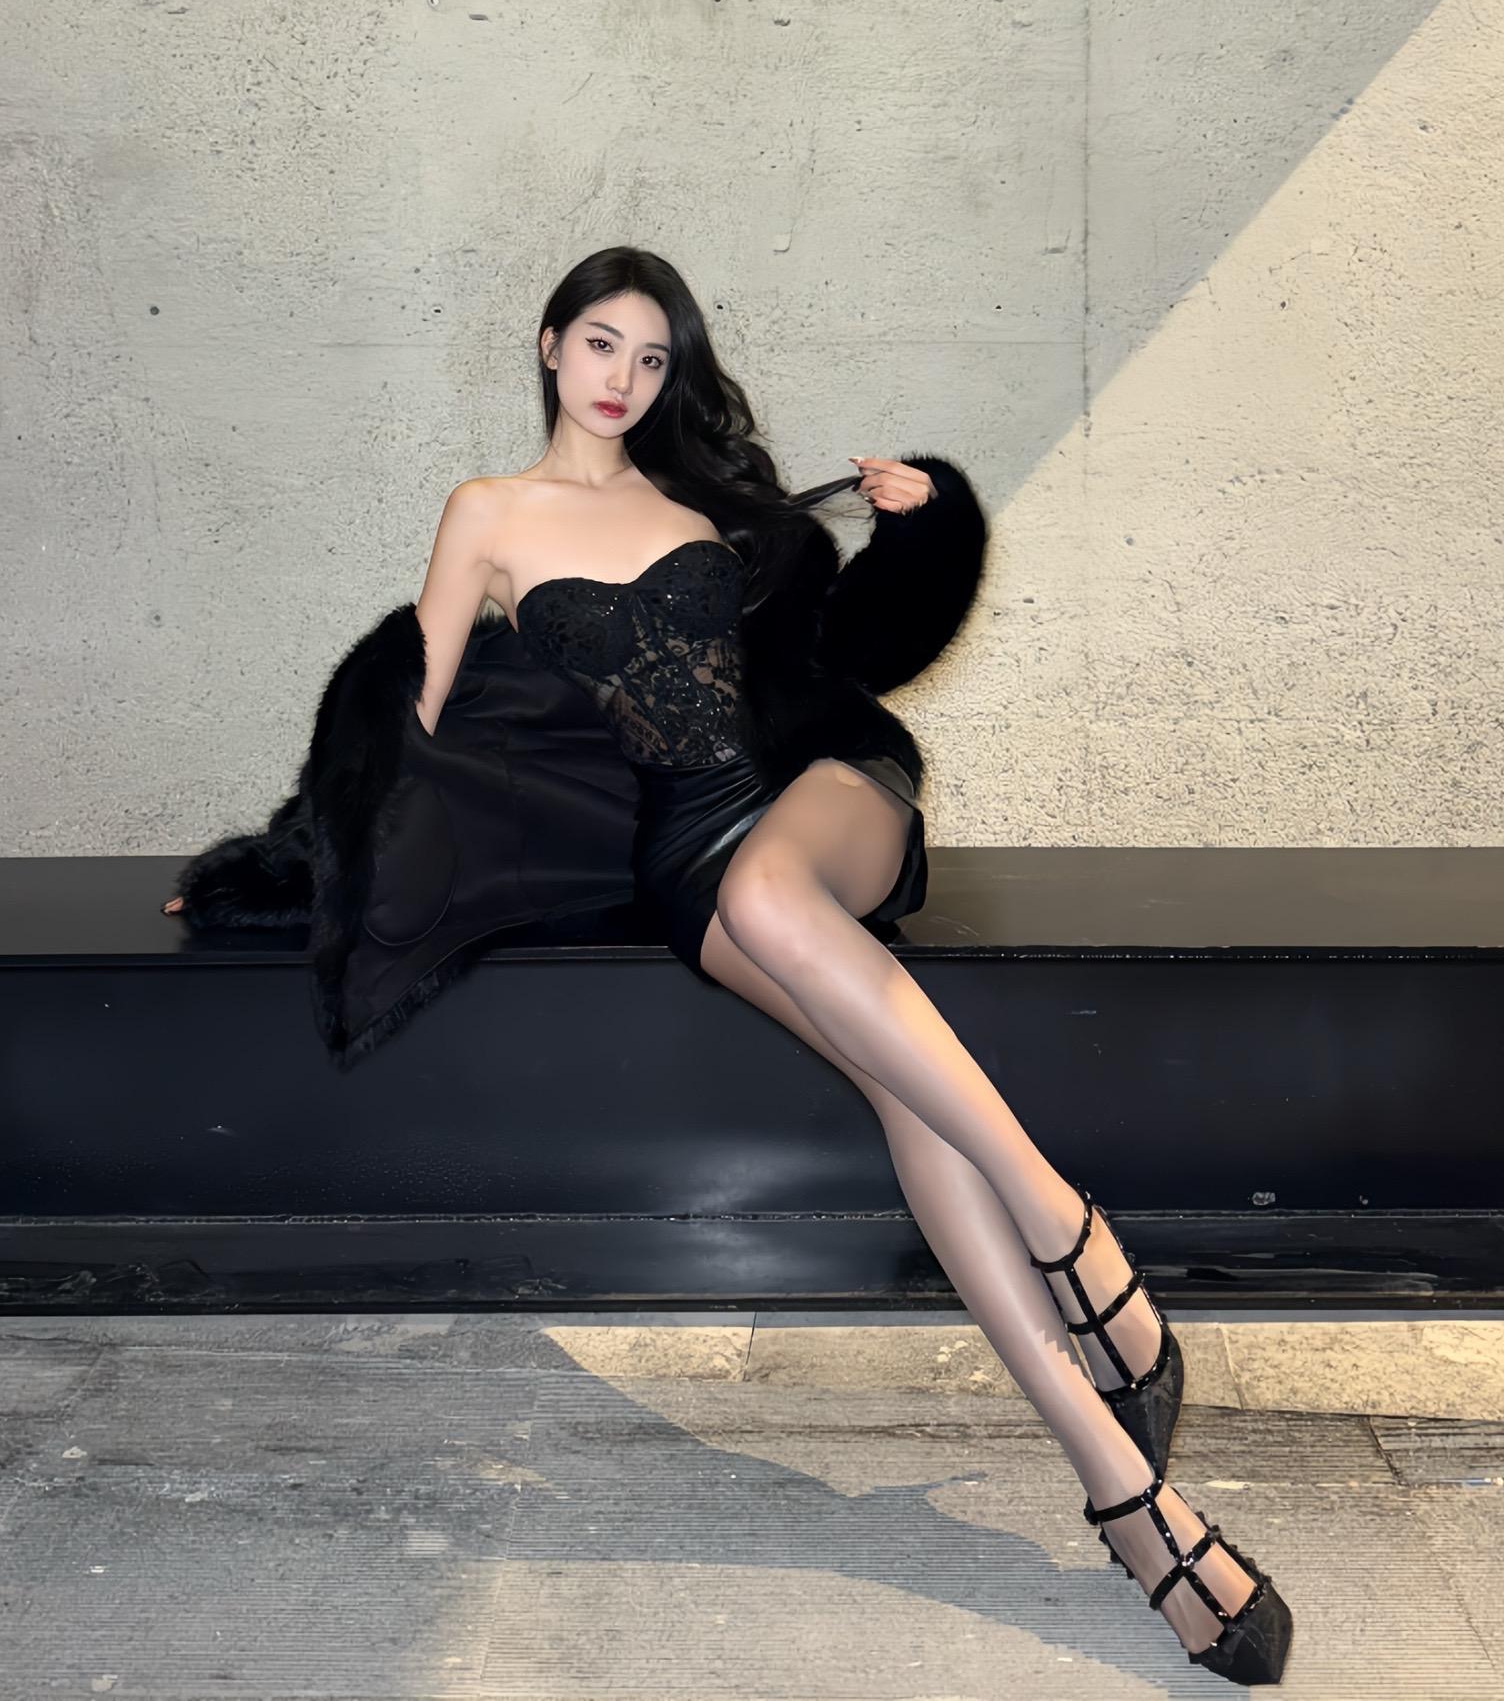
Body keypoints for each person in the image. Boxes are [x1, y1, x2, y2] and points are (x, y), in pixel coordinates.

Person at [164, 244, 1290, 1684]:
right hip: (684, 858)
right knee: (899, 1090)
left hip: (827, 792)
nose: (624, 379)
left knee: (775, 894)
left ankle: (1069, 1232)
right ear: (550, 344)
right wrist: (301, 859)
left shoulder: (719, 505)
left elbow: (864, 642)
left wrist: (927, 524)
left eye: (652, 357)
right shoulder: (487, 515)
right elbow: (411, 722)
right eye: (602, 345)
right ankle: (1127, 1490)